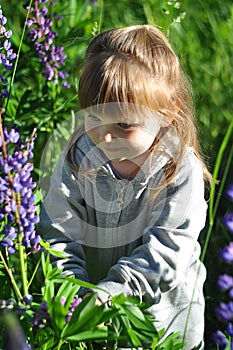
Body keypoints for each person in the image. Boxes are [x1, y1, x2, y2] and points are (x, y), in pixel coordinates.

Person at [38, 24, 211, 349]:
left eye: (123, 124)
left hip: (165, 331)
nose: (104, 137)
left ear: (167, 113)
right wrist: (75, 298)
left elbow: (166, 255)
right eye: (93, 118)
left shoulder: (179, 170)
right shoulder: (78, 158)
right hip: (93, 328)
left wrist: (107, 296)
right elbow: (58, 235)